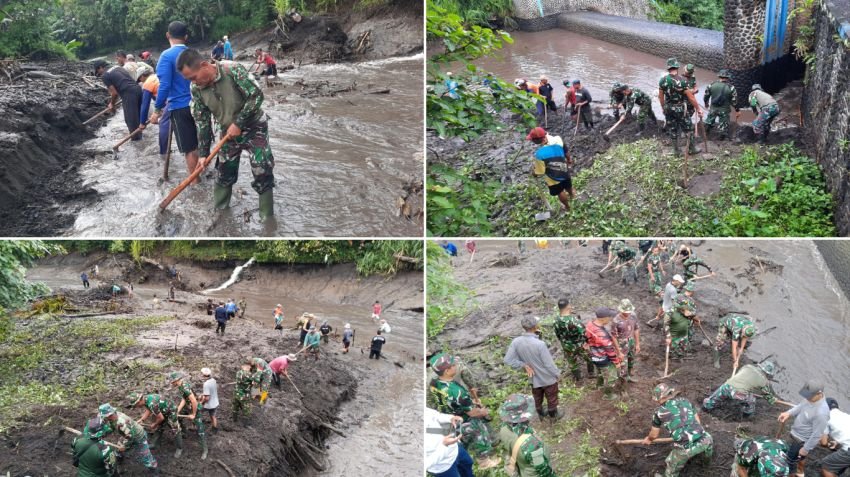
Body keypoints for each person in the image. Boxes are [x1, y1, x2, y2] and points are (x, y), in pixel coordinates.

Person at [176, 48, 276, 220]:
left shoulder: (232, 70)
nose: (193, 82)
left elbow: (256, 96)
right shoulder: (196, 89)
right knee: (223, 171)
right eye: (189, 80)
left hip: (254, 126)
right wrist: (203, 154)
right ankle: (220, 213)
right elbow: (202, 121)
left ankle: (267, 217)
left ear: (205, 65)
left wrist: (239, 122)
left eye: (193, 77)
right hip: (228, 133)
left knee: (261, 167)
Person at [148, 21, 200, 186]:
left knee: (189, 147)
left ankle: (195, 183)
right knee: (199, 141)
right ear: (186, 37)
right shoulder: (193, 53)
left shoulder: (166, 56)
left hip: (180, 107)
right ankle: (200, 173)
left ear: (167, 35)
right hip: (199, 103)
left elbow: (164, 85)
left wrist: (157, 110)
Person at [429, 354, 500, 469]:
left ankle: (464, 450)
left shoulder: (434, 382)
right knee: (478, 429)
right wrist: (483, 411)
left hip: (447, 414)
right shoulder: (458, 393)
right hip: (460, 419)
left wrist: (469, 402)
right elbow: (472, 413)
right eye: (453, 365)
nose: (456, 366)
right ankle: (483, 460)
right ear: (447, 371)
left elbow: (452, 400)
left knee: (464, 437)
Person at [642, 384, 713, 477]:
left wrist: (648, 439)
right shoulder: (685, 401)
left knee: (671, 465)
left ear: (660, 398)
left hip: (685, 448)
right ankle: (706, 464)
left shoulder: (659, 412)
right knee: (708, 443)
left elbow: (654, 435)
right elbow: (698, 422)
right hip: (706, 439)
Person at [504, 316, 563, 420]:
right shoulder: (540, 344)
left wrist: (523, 365)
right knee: (552, 397)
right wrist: (557, 374)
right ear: (536, 326)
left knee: (537, 396)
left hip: (533, 378)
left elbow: (508, 360)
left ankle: (540, 414)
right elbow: (548, 364)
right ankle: (553, 415)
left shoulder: (516, 342)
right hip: (547, 378)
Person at [497, 394, 557, 477]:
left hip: (522, 469)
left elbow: (507, 449)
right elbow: (543, 471)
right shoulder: (532, 444)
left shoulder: (503, 428)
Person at [778, 380, 830, 475]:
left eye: (809, 396)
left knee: (790, 462)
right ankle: (800, 471)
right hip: (795, 433)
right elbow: (800, 406)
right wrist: (788, 413)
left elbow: (816, 435)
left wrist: (805, 449)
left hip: (800, 441)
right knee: (798, 458)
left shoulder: (821, 413)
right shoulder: (809, 398)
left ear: (819, 393)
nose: (807, 398)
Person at [658, 58, 703, 156]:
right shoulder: (682, 81)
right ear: (677, 67)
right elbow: (690, 97)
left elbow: (660, 96)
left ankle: (676, 151)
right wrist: (698, 109)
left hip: (668, 108)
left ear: (668, 68)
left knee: (673, 129)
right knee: (688, 128)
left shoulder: (662, 80)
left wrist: (663, 107)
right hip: (681, 108)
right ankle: (692, 149)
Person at [702, 361, 778, 417]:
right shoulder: (764, 381)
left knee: (713, 399)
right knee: (751, 401)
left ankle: (705, 409)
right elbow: (767, 395)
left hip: (727, 386)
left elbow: (741, 375)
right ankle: (747, 415)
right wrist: (773, 400)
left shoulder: (747, 366)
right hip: (738, 394)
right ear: (767, 373)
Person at [97, 403, 158, 471]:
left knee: (145, 456)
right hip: (127, 434)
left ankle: (153, 467)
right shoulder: (113, 416)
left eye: (104, 416)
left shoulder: (122, 423)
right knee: (119, 447)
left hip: (138, 437)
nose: (104, 418)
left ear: (110, 415)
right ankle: (119, 455)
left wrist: (124, 446)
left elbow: (131, 437)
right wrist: (103, 433)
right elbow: (112, 426)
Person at [527, 126, 575, 212]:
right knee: (568, 185)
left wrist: (534, 173)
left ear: (535, 141)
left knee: (560, 192)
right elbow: (566, 151)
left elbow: (540, 172)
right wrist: (569, 160)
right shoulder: (558, 139)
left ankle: (567, 207)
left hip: (553, 178)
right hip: (564, 169)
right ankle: (572, 195)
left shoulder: (540, 154)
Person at [93, 60, 143, 137]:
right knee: (138, 117)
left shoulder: (105, 75)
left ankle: (136, 141)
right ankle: (142, 137)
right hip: (138, 89)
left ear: (100, 67)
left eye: (98, 71)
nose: (99, 74)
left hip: (129, 94)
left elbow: (114, 93)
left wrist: (112, 104)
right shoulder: (118, 67)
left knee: (131, 120)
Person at [126, 391, 183, 458]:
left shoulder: (152, 403)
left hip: (171, 411)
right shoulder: (146, 399)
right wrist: (142, 419)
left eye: (136, 405)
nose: (137, 407)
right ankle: (155, 443)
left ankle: (180, 448)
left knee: (175, 429)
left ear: (139, 401)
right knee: (159, 428)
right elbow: (148, 410)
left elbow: (161, 418)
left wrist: (154, 424)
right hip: (162, 411)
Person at [425, 407, 474, 477]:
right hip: (442, 467)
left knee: (468, 465)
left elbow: (436, 415)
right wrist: (444, 445)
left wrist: (450, 418)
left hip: (455, 448)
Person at [584, 308, 621, 399]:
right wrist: (617, 362)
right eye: (609, 317)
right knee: (611, 377)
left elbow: (585, 337)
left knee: (600, 372)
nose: (611, 319)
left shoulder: (590, 324)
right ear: (603, 318)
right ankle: (608, 395)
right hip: (603, 358)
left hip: (594, 356)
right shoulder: (601, 334)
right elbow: (609, 350)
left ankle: (599, 386)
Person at [552, 298, 593, 382]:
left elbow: (558, 334)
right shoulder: (574, 320)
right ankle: (591, 373)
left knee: (572, 362)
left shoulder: (555, 321)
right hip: (579, 344)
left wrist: (564, 342)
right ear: (568, 307)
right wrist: (587, 343)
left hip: (567, 345)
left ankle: (579, 378)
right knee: (589, 357)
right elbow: (584, 333)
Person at [168, 372, 207, 459]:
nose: (171, 383)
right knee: (179, 418)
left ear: (176, 380)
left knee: (200, 429)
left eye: (172, 382)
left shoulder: (185, 387)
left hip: (194, 407)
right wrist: (178, 409)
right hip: (187, 406)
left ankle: (205, 450)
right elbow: (184, 399)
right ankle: (184, 432)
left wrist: (193, 414)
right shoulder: (180, 386)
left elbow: (194, 401)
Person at [703, 69, 739, 141]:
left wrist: (706, 103)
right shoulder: (731, 88)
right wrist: (737, 110)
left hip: (713, 108)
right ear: (728, 77)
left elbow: (706, 96)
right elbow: (734, 101)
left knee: (709, 121)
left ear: (719, 76)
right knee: (723, 125)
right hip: (724, 110)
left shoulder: (711, 85)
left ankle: (705, 135)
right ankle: (721, 140)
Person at [665, 282, 698, 357]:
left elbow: (694, 312)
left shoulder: (691, 300)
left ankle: (682, 351)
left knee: (687, 336)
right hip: (678, 321)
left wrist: (690, 314)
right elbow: (673, 307)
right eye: (688, 290)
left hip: (688, 322)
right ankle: (674, 352)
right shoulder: (678, 297)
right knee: (676, 338)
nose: (688, 292)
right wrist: (683, 311)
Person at [612, 299, 640, 383]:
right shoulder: (616, 321)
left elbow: (636, 329)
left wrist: (637, 343)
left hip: (631, 341)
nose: (628, 313)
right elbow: (613, 336)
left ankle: (629, 376)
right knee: (623, 364)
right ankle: (623, 385)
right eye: (626, 311)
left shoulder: (633, 316)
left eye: (629, 311)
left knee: (632, 359)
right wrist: (618, 351)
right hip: (621, 344)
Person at [820, 398, 850, 477]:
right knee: (840, 463)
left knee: (827, 466)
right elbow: (846, 431)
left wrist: (828, 444)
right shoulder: (845, 415)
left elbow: (823, 442)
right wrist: (837, 442)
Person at [200, 367, 219, 432]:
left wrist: (201, 403)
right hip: (215, 403)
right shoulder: (213, 380)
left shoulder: (206, 384)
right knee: (213, 416)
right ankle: (215, 429)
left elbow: (207, 398)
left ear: (203, 375)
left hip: (209, 405)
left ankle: (197, 427)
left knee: (197, 412)